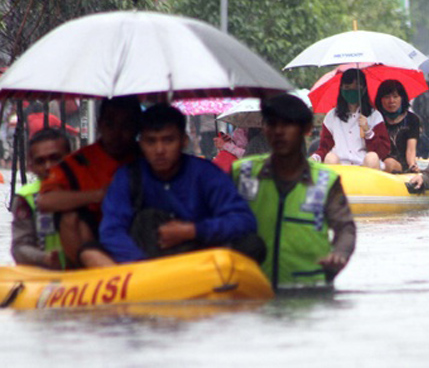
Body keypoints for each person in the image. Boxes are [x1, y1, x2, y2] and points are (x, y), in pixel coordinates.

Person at [99, 104, 260, 264]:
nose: (159, 149)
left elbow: (243, 221)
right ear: (140, 143)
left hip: (200, 264)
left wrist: (193, 230)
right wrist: (139, 263)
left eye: (168, 140)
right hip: (144, 269)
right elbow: (112, 230)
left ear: (184, 141)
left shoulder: (206, 174)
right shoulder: (127, 177)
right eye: (151, 141)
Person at [232, 94, 356, 290]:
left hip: (311, 294)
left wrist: (339, 254)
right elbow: (219, 219)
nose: (278, 132)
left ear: (306, 129)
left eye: (287, 124)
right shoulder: (243, 174)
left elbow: (346, 228)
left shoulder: (325, 181)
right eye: (271, 124)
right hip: (253, 290)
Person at [39, 96, 142, 268]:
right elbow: (45, 201)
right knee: (70, 217)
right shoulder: (78, 162)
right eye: (110, 124)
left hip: (139, 234)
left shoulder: (149, 159)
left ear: (137, 128)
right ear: (100, 124)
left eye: (126, 126)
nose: (117, 133)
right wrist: (97, 196)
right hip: (91, 240)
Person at [11, 129, 71, 269]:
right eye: (40, 161)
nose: (48, 166)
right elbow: (19, 248)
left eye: (55, 158)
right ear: (31, 166)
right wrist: (45, 258)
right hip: (46, 275)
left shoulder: (88, 188)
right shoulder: (26, 197)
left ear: (70, 157)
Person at [311, 69, 389, 170]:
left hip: (365, 168)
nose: (352, 90)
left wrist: (368, 132)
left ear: (364, 89)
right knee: (330, 158)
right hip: (341, 168)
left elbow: (383, 151)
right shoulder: (331, 116)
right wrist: (315, 158)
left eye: (356, 87)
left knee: (372, 158)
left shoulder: (375, 116)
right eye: (347, 87)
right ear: (341, 89)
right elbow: (324, 147)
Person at [374, 79, 420, 173]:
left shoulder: (412, 119)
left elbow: (411, 149)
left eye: (395, 97)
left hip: (401, 166)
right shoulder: (376, 119)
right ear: (380, 100)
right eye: (387, 97)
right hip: (378, 163)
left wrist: (412, 164)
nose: (391, 101)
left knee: (389, 163)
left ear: (402, 98)